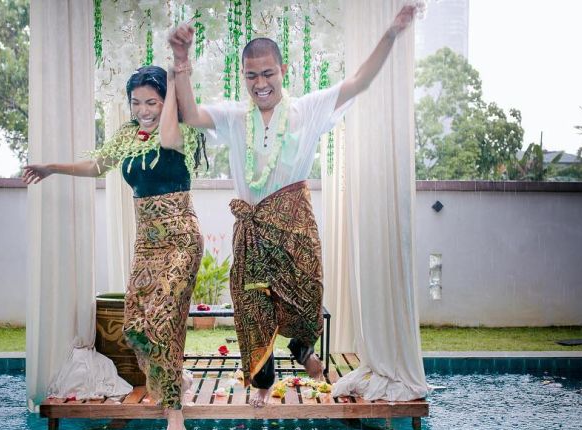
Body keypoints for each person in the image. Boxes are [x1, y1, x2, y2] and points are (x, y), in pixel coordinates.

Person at [168, 5, 417, 406]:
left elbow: (358, 82)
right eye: (252, 75)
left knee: (307, 297)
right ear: (244, 76)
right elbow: (191, 114)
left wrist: (390, 35)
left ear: (282, 71)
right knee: (251, 305)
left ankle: (300, 347)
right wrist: (182, 61)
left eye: (268, 73)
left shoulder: (309, 109)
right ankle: (263, 379)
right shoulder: (235, 117)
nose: (260, 83)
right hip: (250, 231)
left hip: (295, 226)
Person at [22, 65, 205, 430]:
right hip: (147, 244)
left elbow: (168, 136)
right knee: (135, 328)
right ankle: (179, 379)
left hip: (181, 240)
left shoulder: (180, 129)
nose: (144, 109)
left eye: (152, 101)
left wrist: (174, 84)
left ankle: (175, 418)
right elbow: (96, 166)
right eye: (136, 102)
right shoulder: (126, 135)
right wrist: (51, 168)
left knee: (161, 323)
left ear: (166, 101)